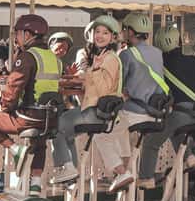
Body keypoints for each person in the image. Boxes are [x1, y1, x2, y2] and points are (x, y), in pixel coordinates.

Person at [0, 14, 61, 194]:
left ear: (27, 34)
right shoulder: (54, 58)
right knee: (40, 140)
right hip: (50, 118)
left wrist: (4, 108)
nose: (16, 38)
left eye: (18, 34)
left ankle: (15, 150)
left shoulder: (27, 57)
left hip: (27, 118)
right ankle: (36, 184)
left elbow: (12, 88)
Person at [50, 15, 133, 191]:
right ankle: (71, 173)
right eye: (97, 32)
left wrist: (91, 71)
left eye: (105, 33)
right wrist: (89, 73)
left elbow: (103, 88)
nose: (100, 36)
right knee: (67, 132)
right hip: (98, 112)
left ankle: (67, 168)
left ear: (113, 37)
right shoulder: (102, 55)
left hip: (95, 111)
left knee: (55, 125)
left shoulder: (109, 58)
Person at [115, 13, 170, 189]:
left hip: (133, 113)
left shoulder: (127, 54)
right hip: (154, 114)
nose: (123, 32)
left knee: (107, 131)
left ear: (131, 31)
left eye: (125, 29)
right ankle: (134, 173)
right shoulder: (158, 53)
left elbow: (118, 84)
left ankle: (122, 172)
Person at [156, 25, 195, 170]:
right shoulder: (192, 60)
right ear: (179, 41)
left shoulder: (159, 64)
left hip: (177, 111)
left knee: (172, 125)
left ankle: (188, 156)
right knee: (185, 127)